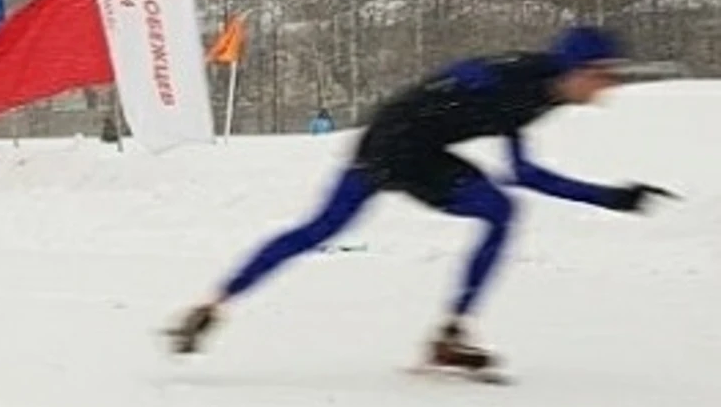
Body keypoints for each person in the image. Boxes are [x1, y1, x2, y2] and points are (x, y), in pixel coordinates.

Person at [168, 26, 675, 371]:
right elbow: (459, 85)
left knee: (498, 210)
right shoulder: (518, 77)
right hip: (392, 141)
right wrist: (458, 83)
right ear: (578, 68)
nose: (610, 86)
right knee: (322, 229)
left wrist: (612, 198)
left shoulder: (542, 92)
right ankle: (212, 304)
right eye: (605, 75)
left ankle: (451, 335)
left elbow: (521, 171)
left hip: (422, 148)